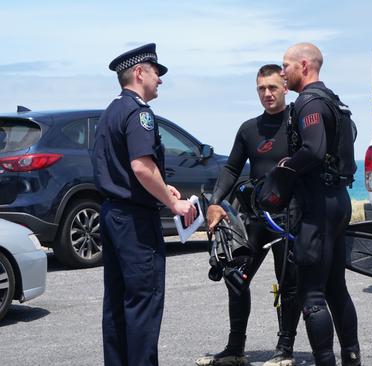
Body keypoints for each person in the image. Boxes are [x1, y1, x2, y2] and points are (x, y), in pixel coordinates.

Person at [92, 43, 197, 366]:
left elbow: (125, 168)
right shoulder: (139, 114)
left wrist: (162, 187)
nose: (160, 81)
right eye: (156, 73)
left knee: (118, 303)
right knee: (143, 303)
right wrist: (173, 204)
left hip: (112, 215)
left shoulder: (111, 111)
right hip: (135, 222)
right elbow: (140, 166)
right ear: (139, 73)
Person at [195, 64, 301, 366]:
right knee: (235, 277)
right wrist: (215, 201)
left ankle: (285, 349)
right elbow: (231, 168)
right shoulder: (249, 129)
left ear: (284, 86)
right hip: (256, 216)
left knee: (288, 283)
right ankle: (235, 348)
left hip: (288, 217)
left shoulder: (297, 124)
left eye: (272, 87)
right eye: (261, 89)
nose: (267, 94)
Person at [277, 43, 361, 366]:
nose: (283, 73)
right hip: (338, 201)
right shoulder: (334, 101)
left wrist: (285, 168)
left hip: (318, 206)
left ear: (304, 65)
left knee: (311, 294)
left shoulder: (308, 102)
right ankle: (352, 358)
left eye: (286, 66)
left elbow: (313, 150)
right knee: (336, 287)